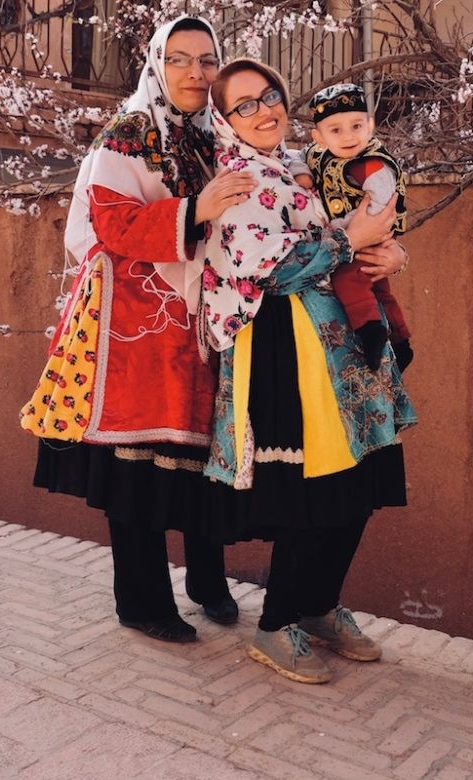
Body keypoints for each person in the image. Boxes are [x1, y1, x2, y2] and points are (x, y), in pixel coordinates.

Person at [19, 16, 256, 644]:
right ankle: (143, 601)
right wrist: (196, 210)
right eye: (180, 59)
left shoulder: (220, 136)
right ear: (156, 63)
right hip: (136, 324)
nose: (195, 73)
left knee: (203, 453)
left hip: (204, 321)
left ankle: (209, 582)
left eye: (207, 60)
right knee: (139, 464)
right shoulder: (124, 137)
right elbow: (112, 224)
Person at [199, 59, 416, 684]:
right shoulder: (237, 182)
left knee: (358, 482)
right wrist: (352, 241)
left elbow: (367, 223)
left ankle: (318, 604)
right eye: (245, 104)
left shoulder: (304, 169)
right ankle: (275, 622)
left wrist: (387, 248)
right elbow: (275, 269)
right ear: (224, 118)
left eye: (270, 95)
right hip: (284, 352)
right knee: (311, 488)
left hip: (340, 348)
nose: (264, 110)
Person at [289, 83, 413, 372]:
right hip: (355, 237)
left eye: (356, 126)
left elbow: (382, 201)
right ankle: (401, 341)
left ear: (370, 127)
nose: (348, 137)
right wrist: (303, 176)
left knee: (348, 279)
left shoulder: (371, 164)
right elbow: (296, 158)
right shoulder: (318, 154)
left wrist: (346, 230)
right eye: (336, 130)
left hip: (367, 232)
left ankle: (371, 332)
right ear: (318, 137)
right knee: (379, 288)